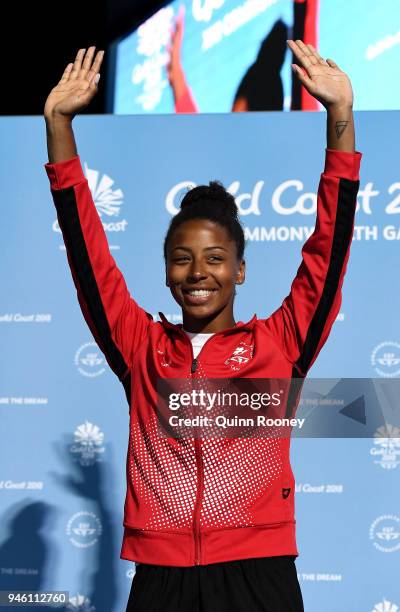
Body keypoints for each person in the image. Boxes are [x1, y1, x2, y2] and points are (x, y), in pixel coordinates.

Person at [43, 40, 361, 611]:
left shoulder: (281, 342)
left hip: (257, 575)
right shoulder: (139, 345)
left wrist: (339, 117)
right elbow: (86, 252)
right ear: (166, 271)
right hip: (161, 577)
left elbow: (328, 250)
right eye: (182, 258)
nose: (198, 272)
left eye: (215, 259)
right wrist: (60, 127)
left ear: (239, 269)